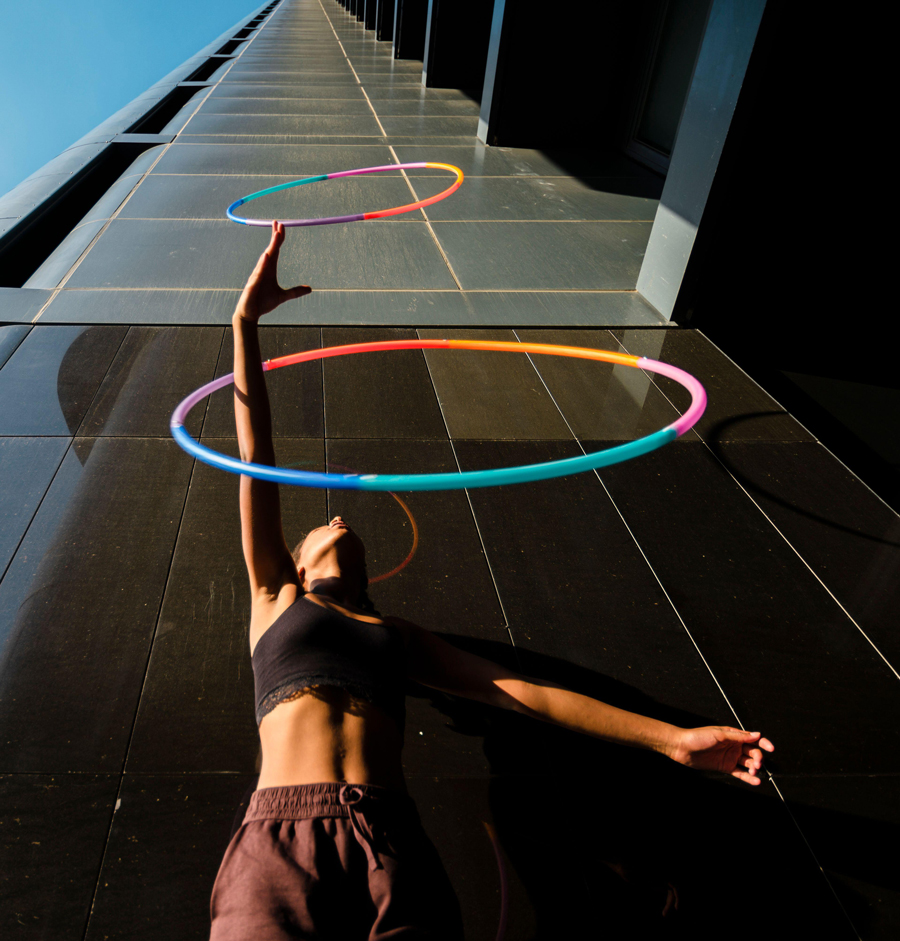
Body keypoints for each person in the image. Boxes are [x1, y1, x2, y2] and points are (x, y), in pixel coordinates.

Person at [209, 222, 775, 940]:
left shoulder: (396, 636)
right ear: (296, 562)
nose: (341, 515)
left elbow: (524, 692)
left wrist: (671, 740)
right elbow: (255, 454)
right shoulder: (274, 597)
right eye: (324, 522)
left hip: (392, 841)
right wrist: (245, 323)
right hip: (281, 840)